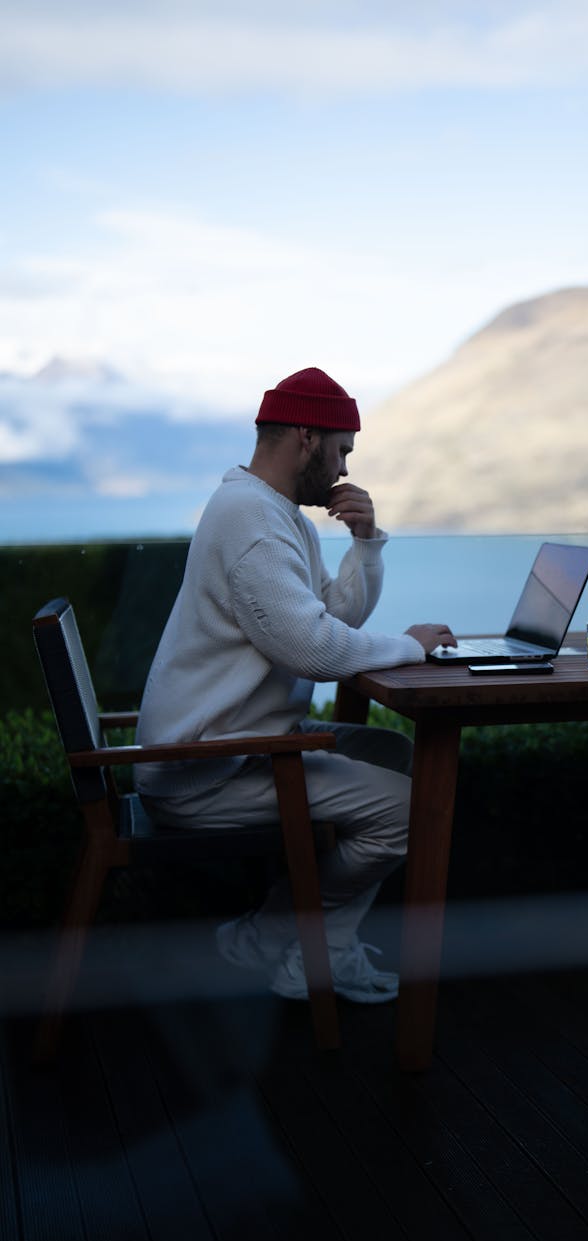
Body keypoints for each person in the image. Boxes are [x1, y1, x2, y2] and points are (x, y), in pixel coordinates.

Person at [134, 366, 456, 1003]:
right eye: (340, 452)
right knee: (412, 810)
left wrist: (365, 544)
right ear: (306, 438)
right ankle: (309, 952)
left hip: (237, 744)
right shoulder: (252, 522)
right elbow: (313, 649)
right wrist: (412, 647)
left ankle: (275, 943)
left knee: (397, 757)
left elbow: (329, 616)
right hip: (204, 768)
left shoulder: (274, 514)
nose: (342, 471)